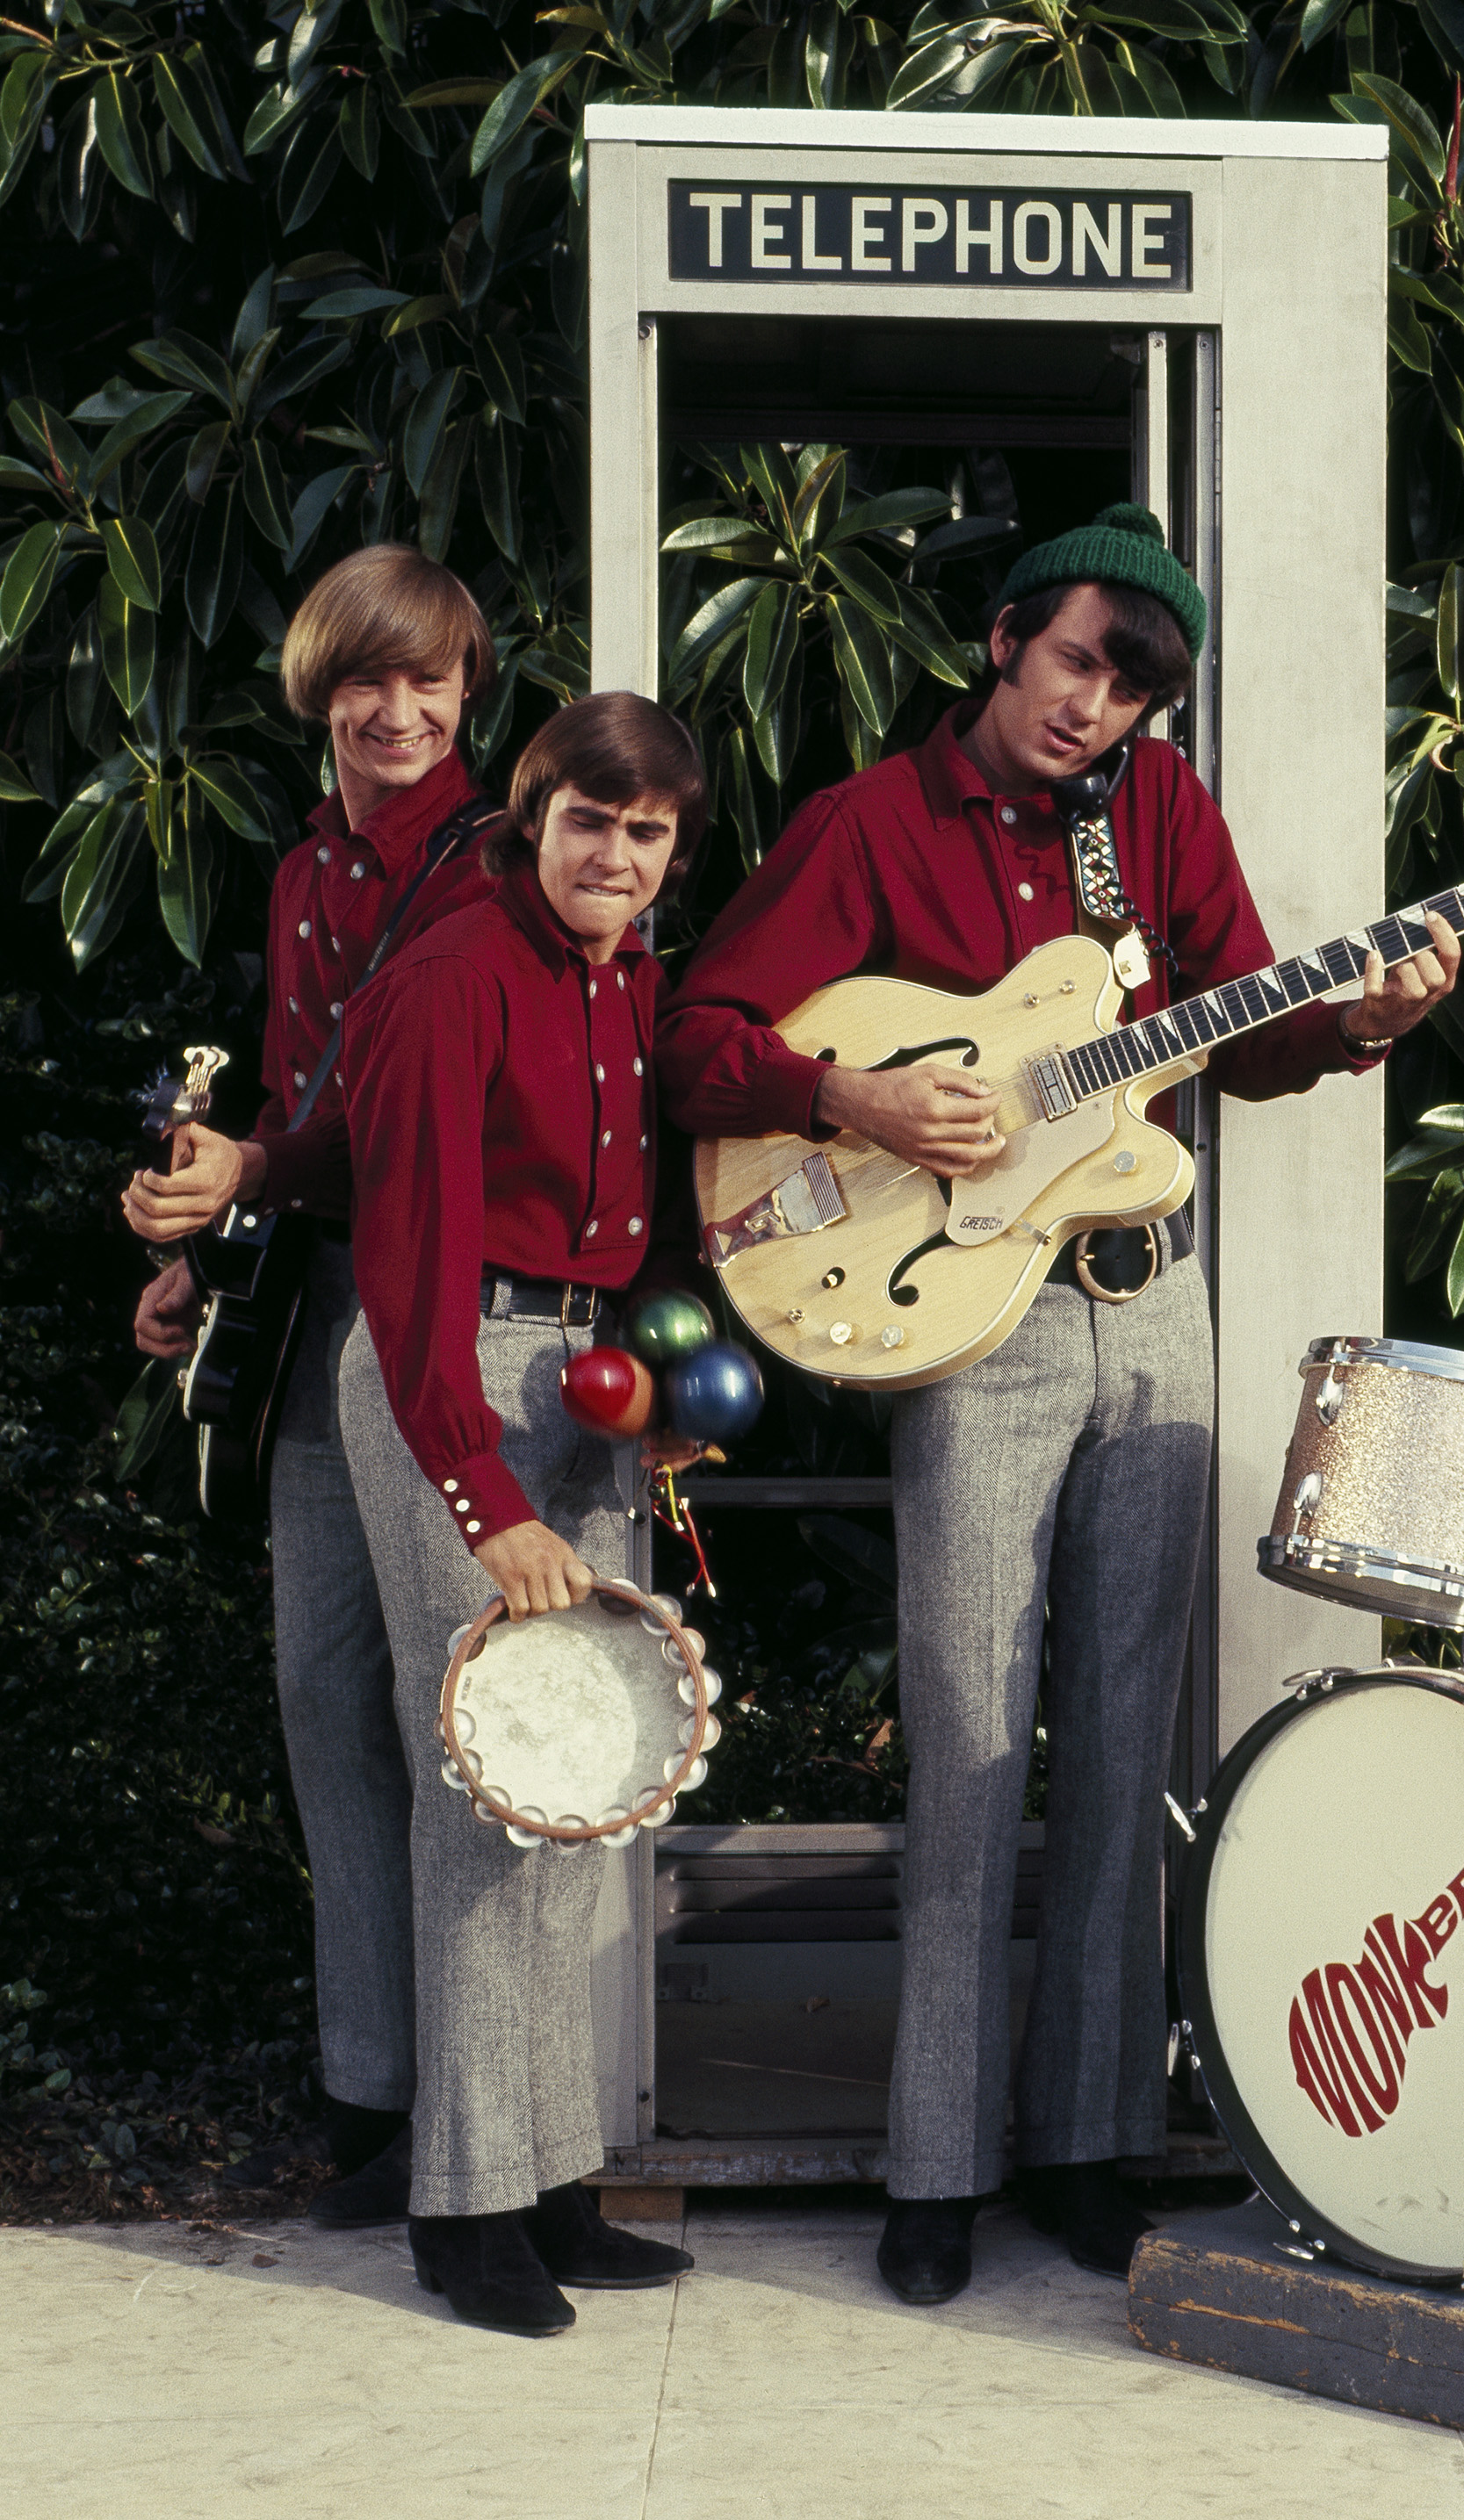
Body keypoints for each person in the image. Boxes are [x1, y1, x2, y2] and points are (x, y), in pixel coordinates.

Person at [658, 504, 1460, 2306]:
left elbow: (1239, 1035)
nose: (1100, 707)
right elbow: (700, 1037)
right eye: (1083, 660)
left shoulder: (1158, 823)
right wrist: (854, 1099)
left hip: (1148, 1311)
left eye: (1136, 688)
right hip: (973, 1327)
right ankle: (931, 2162)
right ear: (1008, 637)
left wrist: (1362, 1021)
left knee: (1119, 1741)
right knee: (965, 1734)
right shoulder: (869, 824)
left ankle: (1090, 2144)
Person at [124, 545, 501, 2225]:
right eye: (372, 680)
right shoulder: (297, 879)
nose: (400, 709)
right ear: (319, 692)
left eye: (430, 679)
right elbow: (290, 1101)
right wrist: (203, 1248)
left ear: (469, 689)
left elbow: (393, 1120)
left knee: (455, 1719)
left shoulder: (508, 860)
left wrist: (260, 1158)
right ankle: (373, 2096)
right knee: (323, 1696)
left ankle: (480, 2117)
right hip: (313, 1301)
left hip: (450, 1302)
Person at [332, 690, 712, 2333]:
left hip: (581, 1378)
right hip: (456, 1382)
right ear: (531, 813)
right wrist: (483, 1497)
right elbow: (404, 1273)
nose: (616, 858)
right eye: (588, 824)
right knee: (488, 1795)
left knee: (585, 1788)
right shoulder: (449, 976)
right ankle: (466, 2205)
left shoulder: (626, 972)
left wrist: (663, 1402)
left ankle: (554, 2176)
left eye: (647, 835)